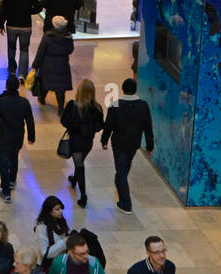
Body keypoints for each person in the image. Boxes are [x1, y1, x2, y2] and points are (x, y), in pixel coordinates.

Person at [100, 76, 154, 212]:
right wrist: (149, 146)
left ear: (123, 89)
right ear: (135, 90)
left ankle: (126, 204)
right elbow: (148, 127)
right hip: (134, 143)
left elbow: (108, 125)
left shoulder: (115, 104)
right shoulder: (143, 105)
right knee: (124, 168)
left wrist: (104, 140)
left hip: (118, 143)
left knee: (121, 172)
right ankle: (121, 188)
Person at [0, 74, 35, 203]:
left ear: (6, 86)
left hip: (3, 137)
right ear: (18, 87)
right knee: (14, 158)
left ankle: (5, 191)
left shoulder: (0, 102)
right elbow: (30, 121)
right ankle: (12, 180)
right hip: (18, 136)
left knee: (4, 161)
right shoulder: (24, 103)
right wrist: (31, 137)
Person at [61, 78, 104, 208]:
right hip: (88, 143)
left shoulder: (72, 105)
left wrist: (76, 128)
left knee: (79, 166)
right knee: (79, 162)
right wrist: (89, 130)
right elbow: (100, 125)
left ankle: (83, 196)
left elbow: (64, 121)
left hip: (76, 142)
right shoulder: (97, 108)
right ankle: (74, 179)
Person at [0, 0, 42, 82]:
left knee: (11, 49)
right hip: (26, 26)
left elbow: (3, 11)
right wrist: (29, 12)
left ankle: (12, 70)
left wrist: (1, 24)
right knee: (24, 50)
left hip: (12, 25)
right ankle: (22, 74)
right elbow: (39, 7)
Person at [32, 16, 73, 114]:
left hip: (48, 65)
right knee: (61, 88)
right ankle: (60, 108)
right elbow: (70, 50)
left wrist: (35, 65)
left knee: (45, 83)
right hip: (62, 65)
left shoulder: (48, 36)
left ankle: (42, 99)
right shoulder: (68, 37)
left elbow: (41, 52)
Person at [34, 196, 69, 273]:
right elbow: (44, 253)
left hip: (61, 263)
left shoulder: (61, 221)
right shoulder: (41, 227)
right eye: (57, 209)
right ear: (49, 211)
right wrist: (64, 242)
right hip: (48, 267)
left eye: (61, 208)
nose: (61, 211)